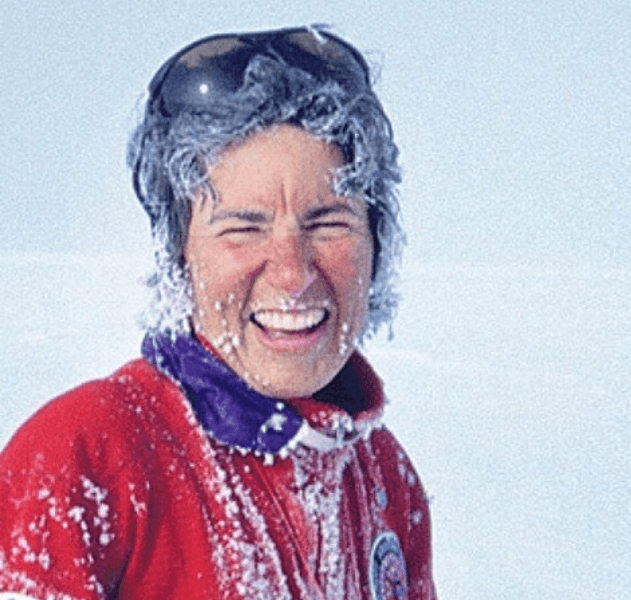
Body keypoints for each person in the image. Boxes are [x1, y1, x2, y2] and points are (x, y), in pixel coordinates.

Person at [0, 26, 437, 600]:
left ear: (379, 244)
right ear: (179, 256)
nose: (292, 273)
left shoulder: (385, 478)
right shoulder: (86, 458)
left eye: (328, 222)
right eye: (242, 228)